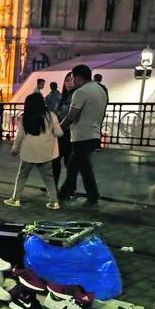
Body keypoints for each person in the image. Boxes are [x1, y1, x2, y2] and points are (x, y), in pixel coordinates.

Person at [58, 64, 108, 207]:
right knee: (74, 166)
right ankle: (65, 192)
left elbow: (72, 115)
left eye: (73, 78)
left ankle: (92, 195)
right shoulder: (100, 90)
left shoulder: (81, 92)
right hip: (93, 133)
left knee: (84, 168)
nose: (72, 81)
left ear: (79, 78)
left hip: (81, 135)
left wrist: (59, 128)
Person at [4, 93, 63, 210]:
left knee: (22, 176)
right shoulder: (50, 116)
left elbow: (20, 135)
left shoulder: (26, 117)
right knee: (49, 178)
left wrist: (15, 148)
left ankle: (16, 199)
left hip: (28, 153)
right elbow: (59, 133)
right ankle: (54, 202)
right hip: (45, 153)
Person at [52, 72, 76, 191]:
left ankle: (70, 189)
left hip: (69, 133)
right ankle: (54, 186)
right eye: (67, 80)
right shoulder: (63, 97)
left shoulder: (76, 97)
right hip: (60, 133)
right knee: (56, 161)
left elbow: (71, 116)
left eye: (71, 80)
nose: (69, 83)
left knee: (69, 163)